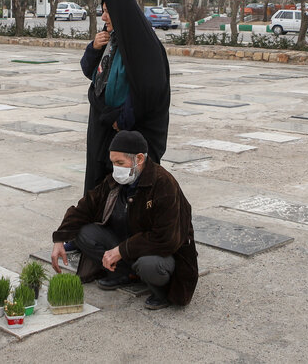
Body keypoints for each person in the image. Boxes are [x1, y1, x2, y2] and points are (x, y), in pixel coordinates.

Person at [50, 130, 198, 310]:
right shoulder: (116, 181)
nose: (116, 169)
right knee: (84, 233)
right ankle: (126, 274)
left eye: (120, 163)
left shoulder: (163, 184)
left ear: (139, 159)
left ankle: (162, 292)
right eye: (113, 163)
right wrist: (60, 238)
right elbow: (85, 207)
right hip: (129, 246)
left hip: (161, 253)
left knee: (149, 265)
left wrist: (121, 250)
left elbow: (166, 238)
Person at [79, 0, 170, 193]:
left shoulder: (143, 46)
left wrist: (121, 120)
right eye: (102, 11)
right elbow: (90, 73)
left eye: (107, 12)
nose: (103, 17)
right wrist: (94, 48)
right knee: (100, 183)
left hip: (130, 128)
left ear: (121, 14)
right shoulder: (109, 41)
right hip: (103, 125)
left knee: (129, 186)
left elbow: (148, 89)